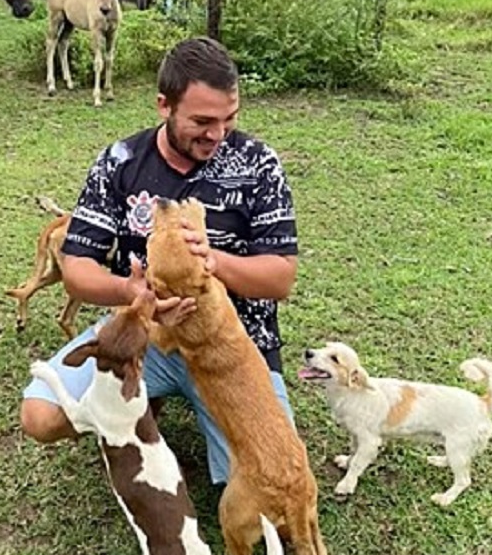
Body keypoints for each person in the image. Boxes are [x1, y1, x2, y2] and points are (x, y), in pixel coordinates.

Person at [19, 37, 300, 486]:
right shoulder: (120, 161)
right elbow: (77, 267)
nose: (218, 135)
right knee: (41, 415)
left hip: (234, 349)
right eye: (203, 121)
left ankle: (149, 407)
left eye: (229, 119)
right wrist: (129, 291)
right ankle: (144, 401)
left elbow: (281, 276)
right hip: (145, 334)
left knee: (275, 499)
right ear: (163, 106)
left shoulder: (258, 164)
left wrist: (214, 262)